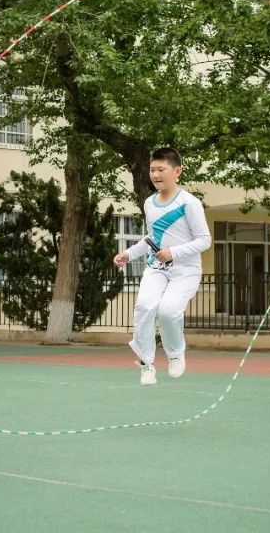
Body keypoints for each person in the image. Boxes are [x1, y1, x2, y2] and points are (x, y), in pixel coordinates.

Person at [114, 148, 212, 385]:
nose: (155, 175)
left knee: (167, 311)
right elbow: (150, 238)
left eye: (161, 169)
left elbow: (204, 240)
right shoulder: (149, 203)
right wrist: (128, 254)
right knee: (145, 307)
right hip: (155, 268)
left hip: (185, 271)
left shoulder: (189, 203)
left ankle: (176, 354)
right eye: (152, 170)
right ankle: (147, 364)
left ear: (177, 171)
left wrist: (173, 253)